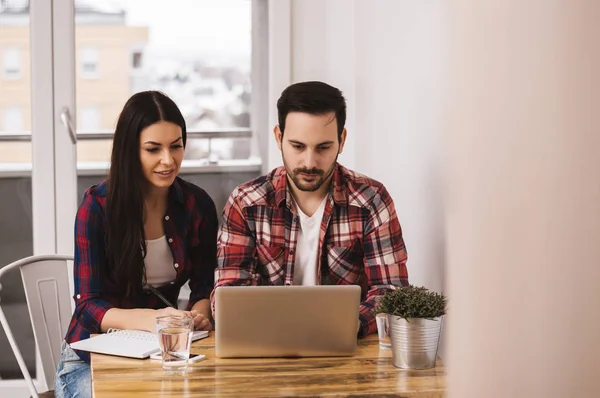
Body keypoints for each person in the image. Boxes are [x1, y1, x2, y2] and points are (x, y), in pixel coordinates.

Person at [212, 81, 408, 337]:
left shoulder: (371, 200)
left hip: (347, 348)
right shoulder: (246, 203)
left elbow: (391, 292)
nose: (309, 162)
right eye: (298, 146)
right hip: (266, 344)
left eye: (323, 147)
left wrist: (350, 325)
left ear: (342, 139)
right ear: (279, 137)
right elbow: (228, 296)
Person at [55, 91, 218, 398]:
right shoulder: (98, 207)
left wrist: (200, 316)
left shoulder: (198, 205)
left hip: (162, 354)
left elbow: (203, 287)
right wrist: (154, 319)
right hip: (91, 358)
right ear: (131, 150)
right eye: (153, 149)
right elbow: (89, 305)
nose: (168, 160)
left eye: (176, 146)